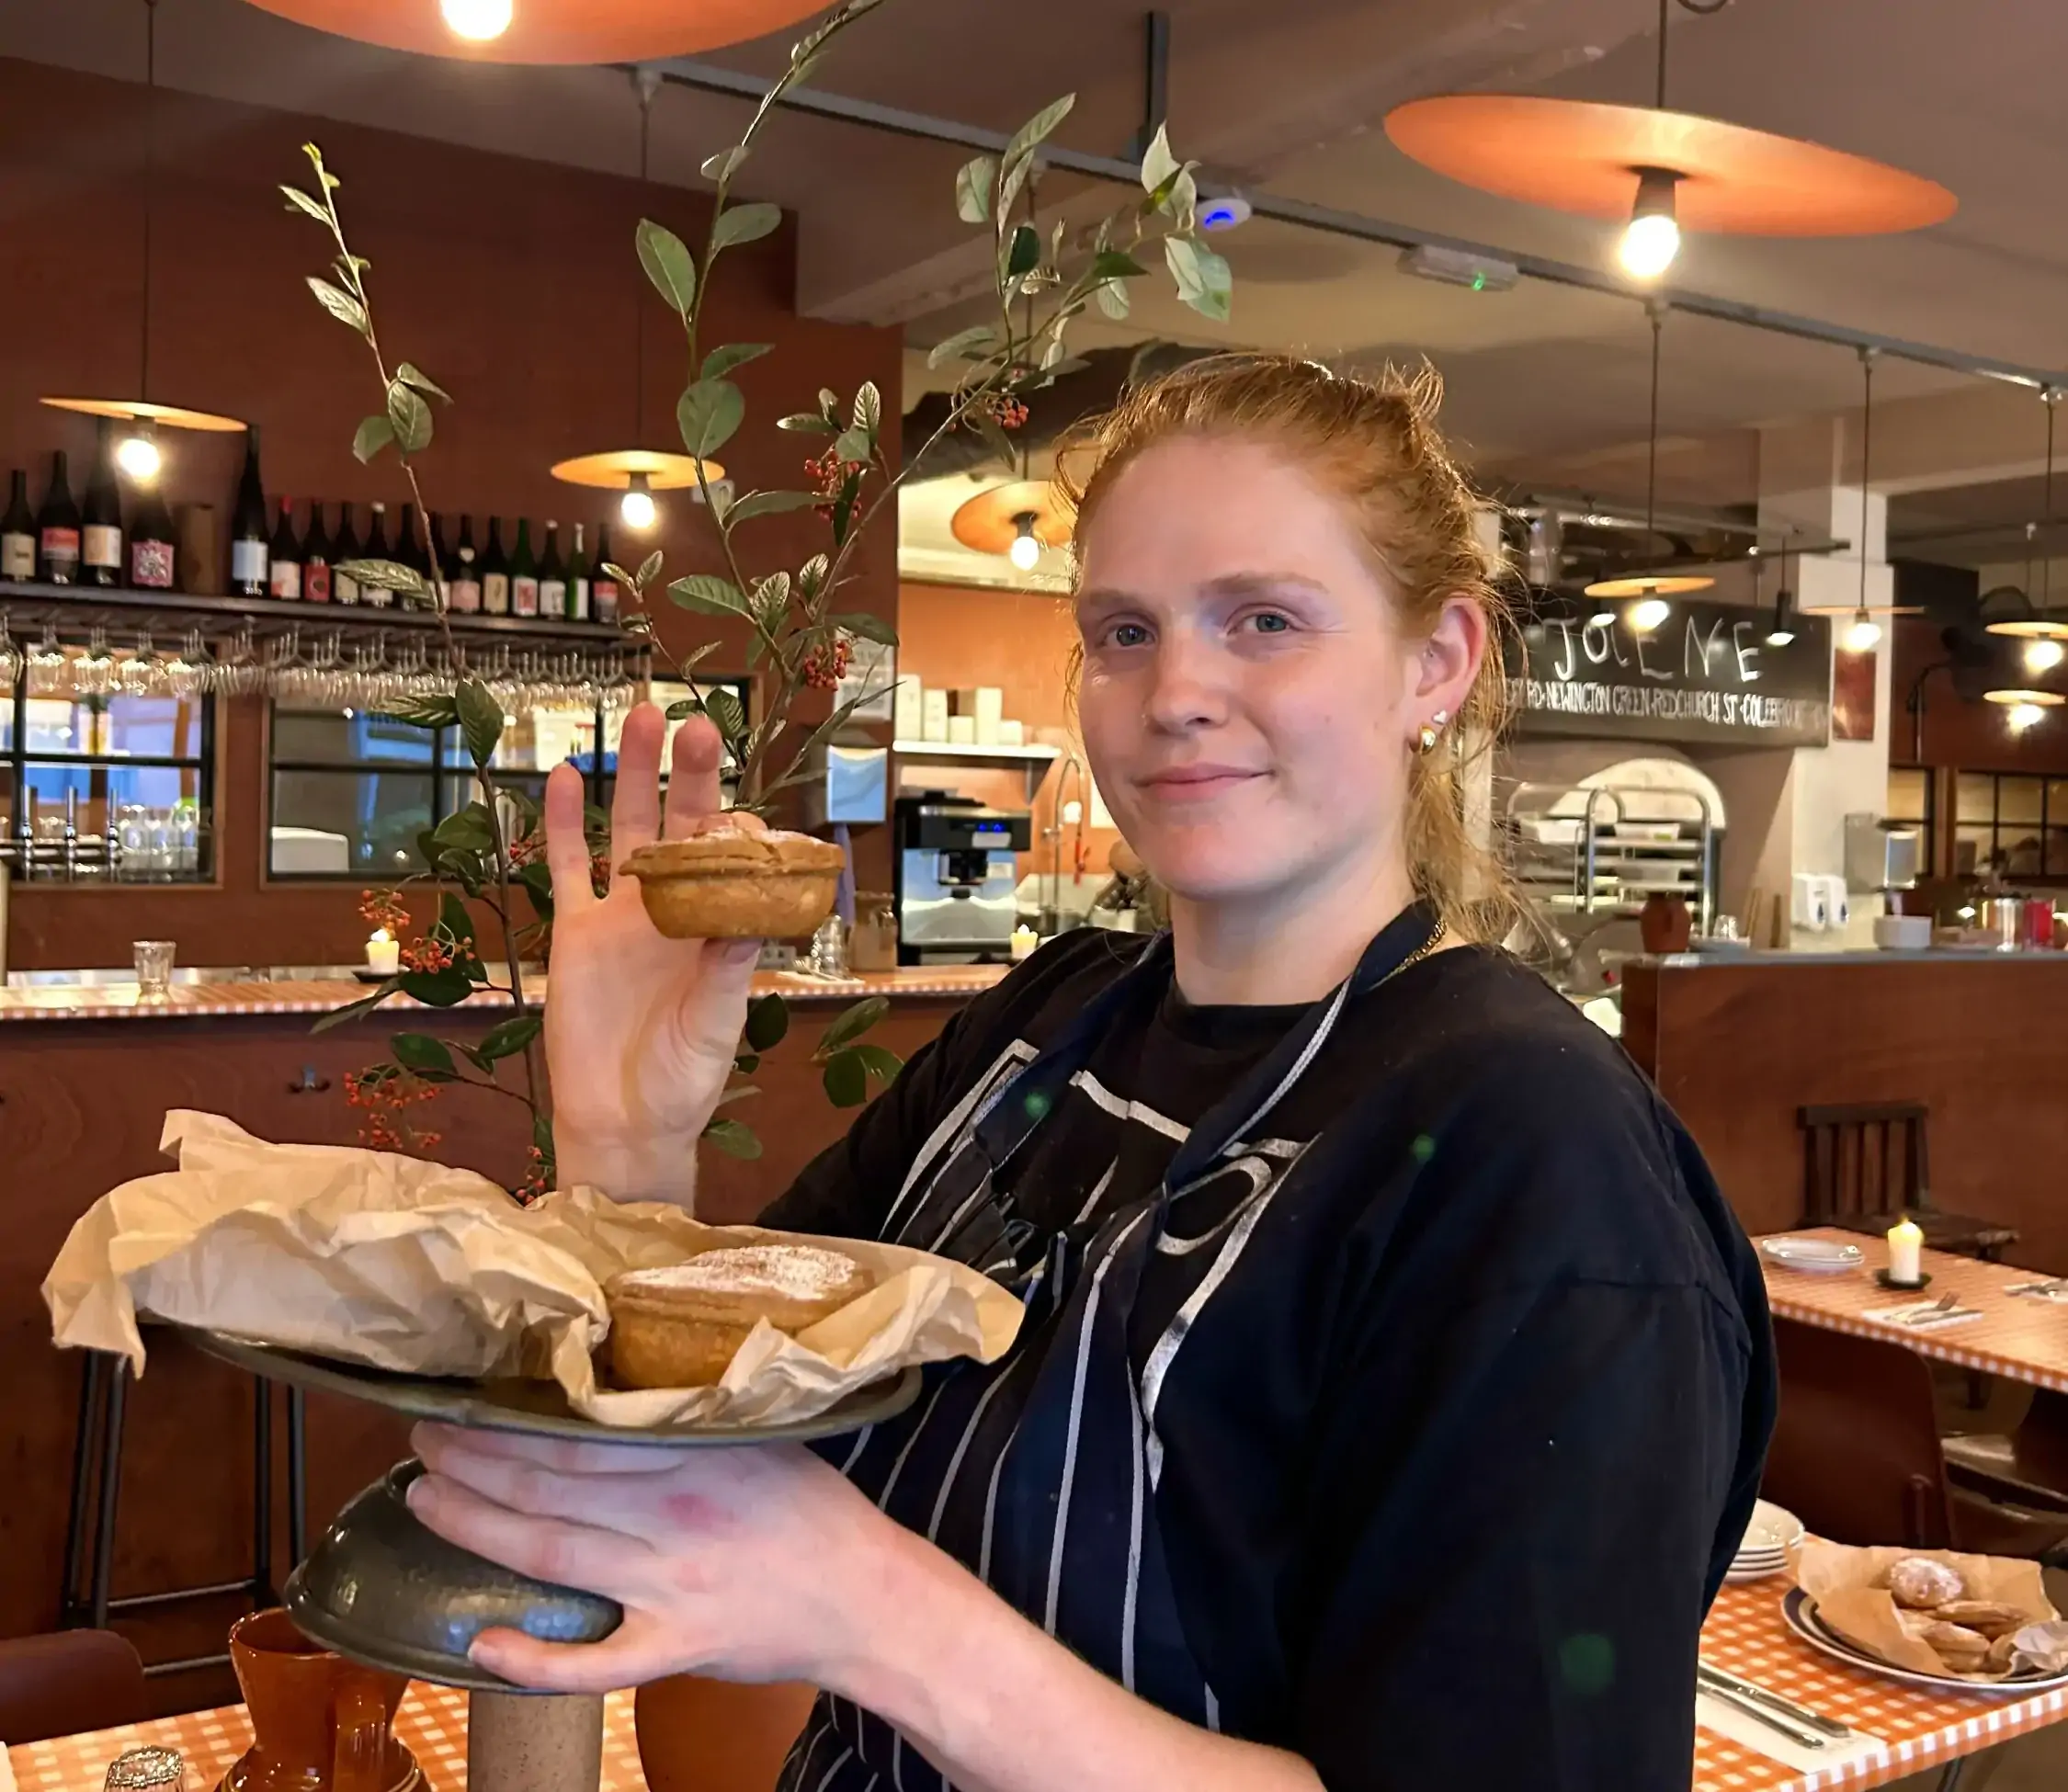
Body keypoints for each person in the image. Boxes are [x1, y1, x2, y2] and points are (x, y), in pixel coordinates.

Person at [405, 357, 1776, 1792]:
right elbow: (735, 1414)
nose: (1174, 692)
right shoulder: (1043, 1027)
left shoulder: (1535, 1161)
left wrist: (872, 1607)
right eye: (1124, 631)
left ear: (1435, 660)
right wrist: (626, 1149)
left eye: (1264, 620)